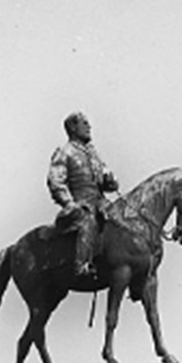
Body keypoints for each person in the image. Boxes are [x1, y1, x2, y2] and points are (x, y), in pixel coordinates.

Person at [47, 112, 119, 276]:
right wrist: (69, 203)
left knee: (123, 220)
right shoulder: (65, 152)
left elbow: (108, 183)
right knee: (89, 222)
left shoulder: (93, 154)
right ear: (73, 128)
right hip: (80, 205)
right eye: (84, 124)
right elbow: (56, 181)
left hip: (101, 203)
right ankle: (81, 266)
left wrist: (110, 181)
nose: (89, 127)